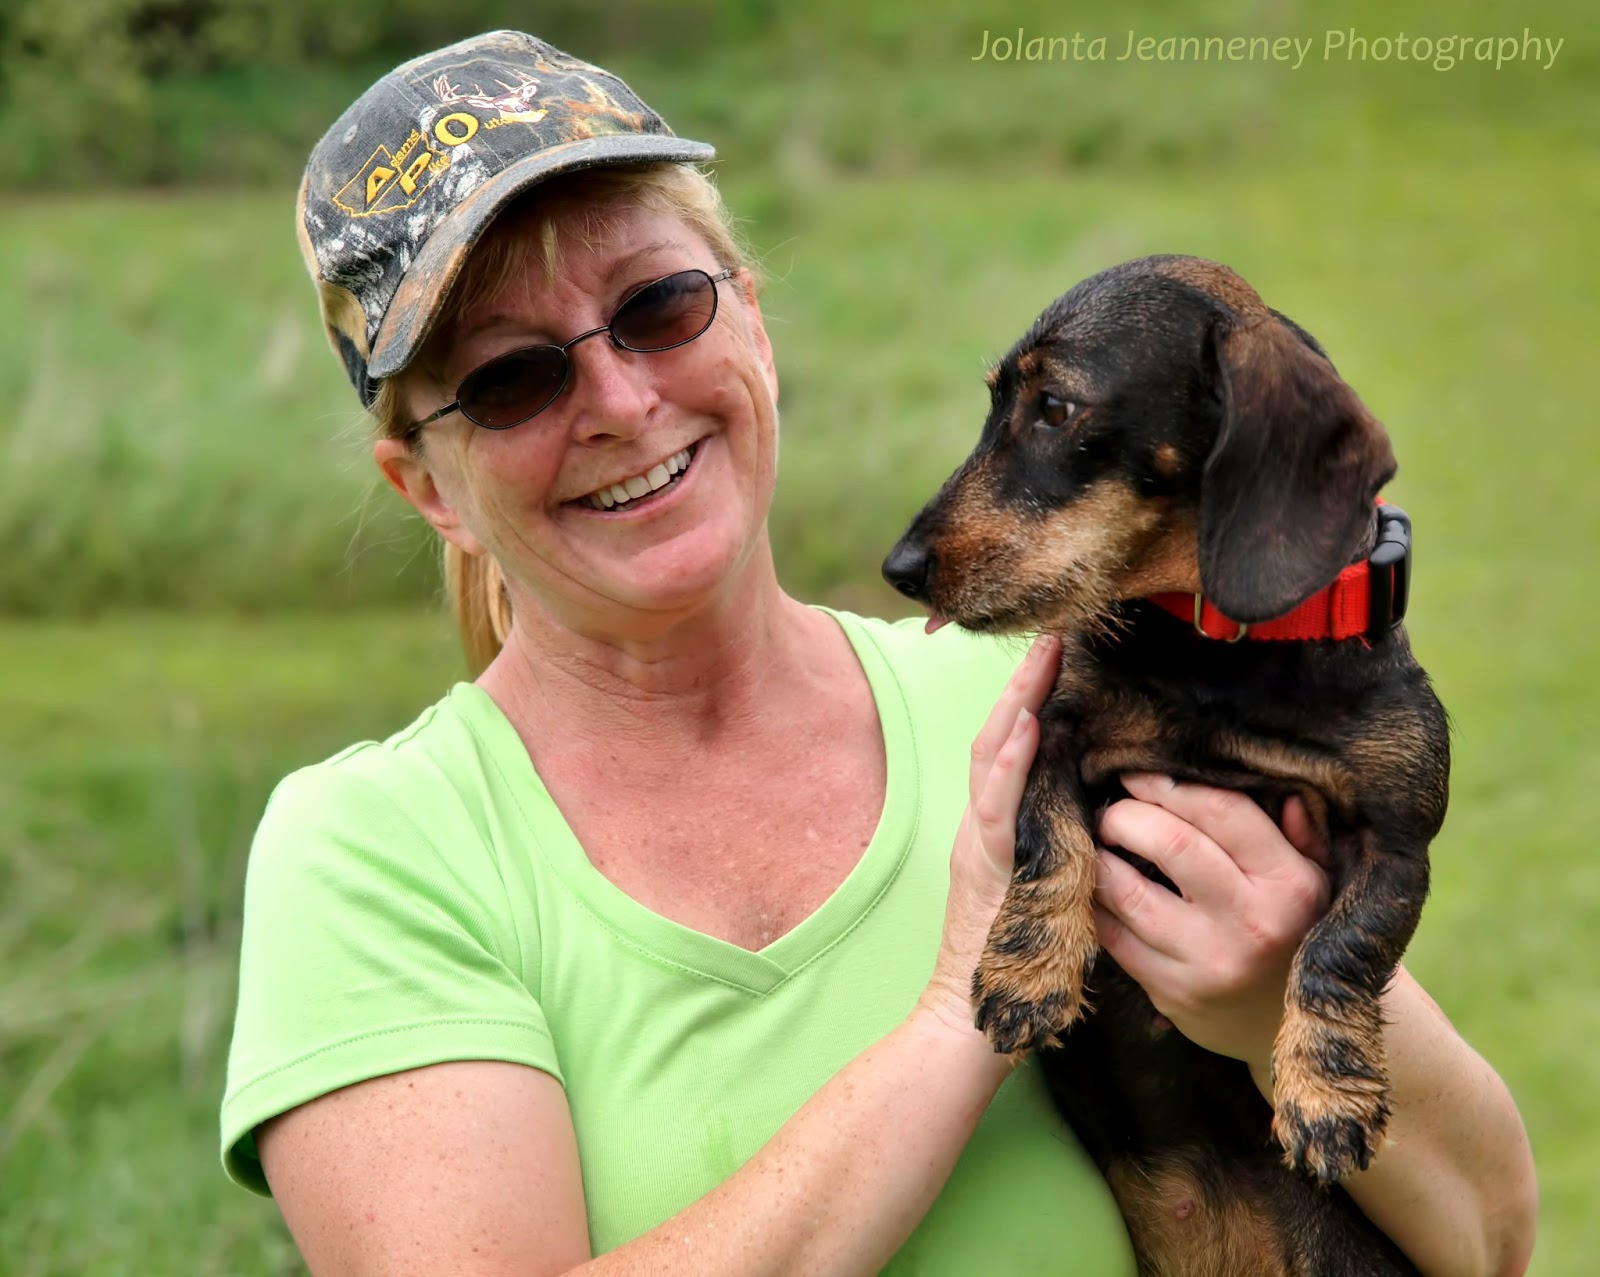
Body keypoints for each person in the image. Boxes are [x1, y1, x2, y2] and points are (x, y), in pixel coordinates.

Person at [221, 30, 1537, 1276]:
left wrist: (1261, 1011)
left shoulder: (1047, 699)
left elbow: (1486, 1233)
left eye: (661, 307)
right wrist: (963, 999)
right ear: (428, 488)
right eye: (514, 379)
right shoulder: (376, 852)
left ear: (753, 325)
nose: (622, 402)